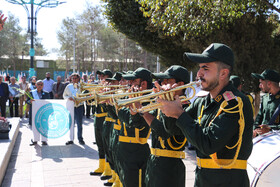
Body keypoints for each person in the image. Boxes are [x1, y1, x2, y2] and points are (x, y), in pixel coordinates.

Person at [158, 43, 254, 187]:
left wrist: (178, 113)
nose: (199, 74)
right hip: (203, 179)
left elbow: (208, 145)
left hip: (227, 181)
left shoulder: (234, 103)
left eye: (205, 68)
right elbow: (174, 131)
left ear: (223, 73)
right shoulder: (202, 101)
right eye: (200, 68)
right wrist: (168, 101)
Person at [140, 65, 190, 187]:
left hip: (169, 166)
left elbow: (165, 132)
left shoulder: (185, 107)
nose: (163, 84)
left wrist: (144, 113)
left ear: (180, 84)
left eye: (168, 81)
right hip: (154, 161)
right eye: (163, 81)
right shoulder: (162, 102)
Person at [116, 67, 153, 187]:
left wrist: (133, 108)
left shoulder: (149, 101)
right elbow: (119, 113)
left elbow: (132, 122)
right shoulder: (130, 97)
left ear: (144, 83)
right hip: (124, 148)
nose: (129, 84)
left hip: (136, 150)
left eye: (133, 81)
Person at [251, 69, 280, 137]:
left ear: (269, 83)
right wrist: (255, 129)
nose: (259, 86)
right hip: (262, 140)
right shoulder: (265, 98)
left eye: (261, 83)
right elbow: (259, 116)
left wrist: (270, 129)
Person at [63, 73, 85, 145]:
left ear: (78, 79)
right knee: (71, 123)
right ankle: (71, 139)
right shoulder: (68, 86)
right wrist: (68, 98)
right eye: (73, 78)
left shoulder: (82, 86)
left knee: (79, 124)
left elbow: (85, 96)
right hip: (71, 106)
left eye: (75, 78)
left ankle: (80, 138)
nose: (74, 80)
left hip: (79, 106)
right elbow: (64, 95)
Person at [28, 80, 50, 146]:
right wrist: (30, 101)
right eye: (38, 84)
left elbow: (48, 102)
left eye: (41, 84)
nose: (40, 86)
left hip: (43, 112)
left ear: (43, 86)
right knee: (35, 126)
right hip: (34, 112)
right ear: (36, 85)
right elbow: (27, 101)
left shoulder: (46, 93)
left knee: (44, 126)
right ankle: (35, 140)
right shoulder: (31, 92)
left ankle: (44, 140)